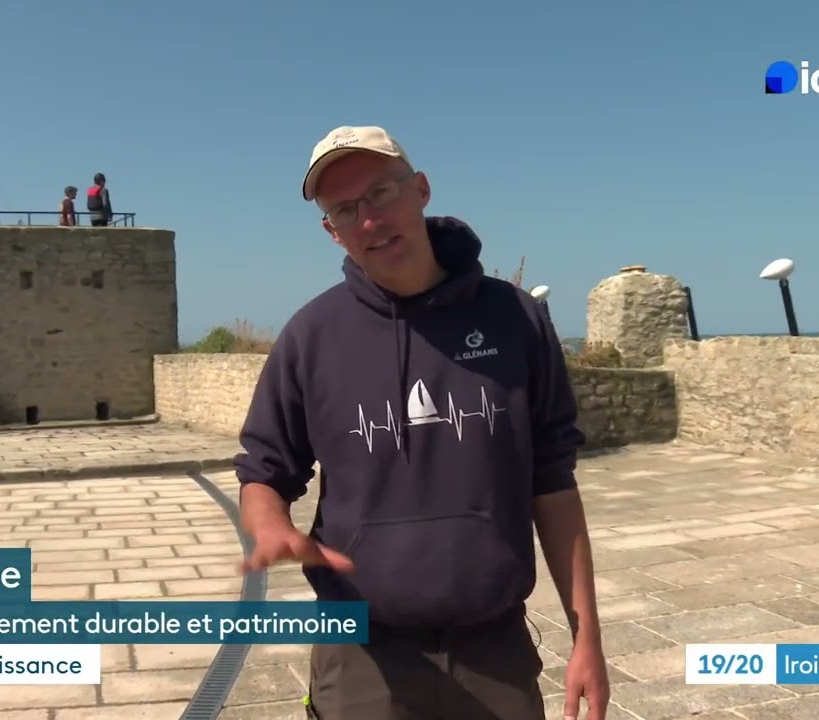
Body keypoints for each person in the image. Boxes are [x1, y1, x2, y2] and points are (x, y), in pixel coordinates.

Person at [234, 125, 610, 720]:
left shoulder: (516, 318)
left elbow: (554, 484)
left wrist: (586, 637)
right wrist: (269, 524)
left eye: (382, 193)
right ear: (331, 230)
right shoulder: (311, 336)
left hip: (497, 651)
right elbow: (264, 471)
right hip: (361, 658)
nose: (369, 219)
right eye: (345, 209)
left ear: (421, 190)